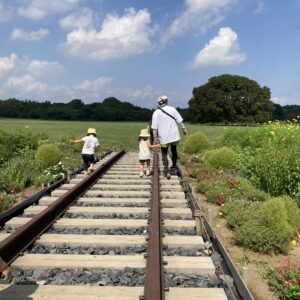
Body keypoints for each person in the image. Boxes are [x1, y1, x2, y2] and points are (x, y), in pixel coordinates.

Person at [151, 95, 188, 179]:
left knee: (164, 153)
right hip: (174, 135)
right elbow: (180, 121)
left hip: (164, 137)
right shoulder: (172, 109)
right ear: (166, 101)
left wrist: (155, 138)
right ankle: (174, 167)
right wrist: (184, 130)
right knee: (174, 150)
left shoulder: (156, 112)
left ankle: (166, 169)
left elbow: (154, 128)